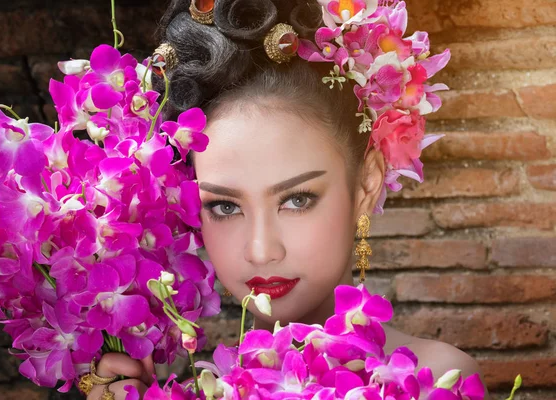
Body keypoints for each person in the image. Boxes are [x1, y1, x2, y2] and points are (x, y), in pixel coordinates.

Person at [87, 0, 487, 398]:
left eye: (297, 200)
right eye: (225, 207)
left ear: (366, 185)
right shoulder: (192, 391)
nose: (261, 251)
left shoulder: (432, 381)